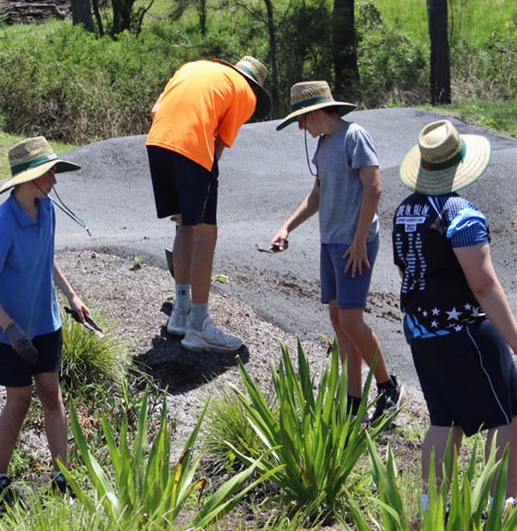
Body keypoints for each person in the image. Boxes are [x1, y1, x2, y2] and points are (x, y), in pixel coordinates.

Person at [392, 119, 517, 509]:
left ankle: (431, 515)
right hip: (464, 331)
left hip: (421, 331)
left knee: (445, 420)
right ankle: (505, 510)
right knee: (507, 417)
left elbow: (407, 270)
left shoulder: (404, 211)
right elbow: (483, 284)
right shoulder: (461, 214)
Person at [0, 136, 92, 511]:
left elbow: (47, 257)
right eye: (49, 173)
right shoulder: (4, 223)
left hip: (45, 322)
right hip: (10, 329)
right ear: (30, 178)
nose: (55, 179)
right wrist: (10, 329)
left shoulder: (47, 209)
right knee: (19, 400)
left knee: (51, 395)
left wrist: (71, 296)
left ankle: (62, 479)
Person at [269, 81, 401, 420]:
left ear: (316, 112)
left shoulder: (354, 136)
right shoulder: (324, 145)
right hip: (331, 241)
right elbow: (316, 196)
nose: (301, 126)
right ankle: (353, 399)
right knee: (337, 320)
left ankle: (388, 387)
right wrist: (287, 227)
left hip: (354, 243)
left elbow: (374, 189)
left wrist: (359, 242)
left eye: (302, 119)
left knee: (351, 320)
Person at [146, 56, 270, 353]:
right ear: (255, 83)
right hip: (190, 150)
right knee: (205, 232)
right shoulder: (246, 92)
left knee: (183, 223)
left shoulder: (192, 67)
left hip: (157, 142)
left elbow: (155, 111)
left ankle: (180, 312)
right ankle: (199, 326)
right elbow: (217, 147)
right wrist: (204, 178)